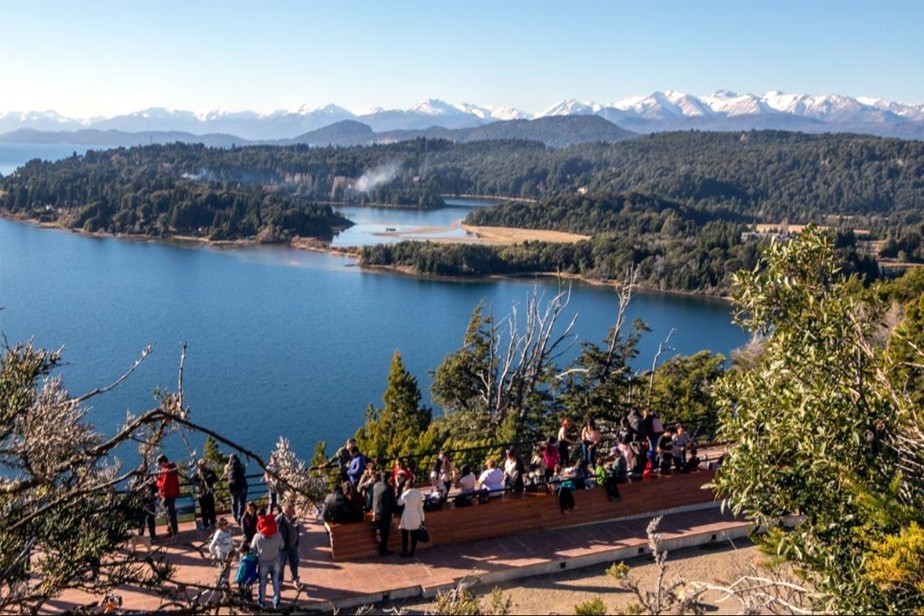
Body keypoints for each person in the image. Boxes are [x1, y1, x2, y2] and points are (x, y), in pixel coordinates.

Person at [251, 508, 283, 609]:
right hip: (275, 561)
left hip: (263, 563)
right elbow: (282, 546)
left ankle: (262, 602)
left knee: (263, 583)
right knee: (276, 582)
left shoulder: (257, 537)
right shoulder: (277, 534)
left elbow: (253, 549)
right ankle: (276, 602)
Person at [398, 479, 425, 558]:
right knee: (414, 535)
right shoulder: (418, 494)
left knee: (405, 535)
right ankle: (412, 552)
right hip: (416, 515)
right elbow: (420, 508)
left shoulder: (405, 494)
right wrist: (422, 519)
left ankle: (404, 551)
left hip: (407, 515)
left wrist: (402, 492)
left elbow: (399, 503)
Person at [155, 454, 180, 539]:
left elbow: (163, 485)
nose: (159, 465)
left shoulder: (167, 471)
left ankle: (173, 532)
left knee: (170, 514)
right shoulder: (171, 468)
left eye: (160, 463)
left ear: (163, 462)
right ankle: (172, 530)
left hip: (168, 495)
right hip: (171, 494)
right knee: (171, 514)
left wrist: (157, 481)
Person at [372, 471, 397, 556]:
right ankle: (383, 550)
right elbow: (392, 502)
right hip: (386, 512)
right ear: (388, 478)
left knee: (380, 530)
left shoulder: (376, 485)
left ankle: (381, 548)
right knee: (385, 532)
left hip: (377, 511)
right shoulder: (389, 488)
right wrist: (394, 511)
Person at [275, 502, 300, 586]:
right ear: (286, 511)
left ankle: (295, 578)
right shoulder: (279, 520)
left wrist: (296, 542)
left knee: (294, 562)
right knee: (281, 565)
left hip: (293, 545)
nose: (293, 511)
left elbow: (297, 529)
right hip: (282, 548)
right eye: (291, 510)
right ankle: (279, 580)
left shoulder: (294, 518)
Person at [192, 459, 218, 531]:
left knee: (211, 508)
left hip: (209, 492)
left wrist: (209, 482)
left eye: (204, 464)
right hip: (201, 494)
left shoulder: (210, 472)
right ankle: (205, 524)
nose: (203, 465)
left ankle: (213, 521)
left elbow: (215, 479)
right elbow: (193, 482)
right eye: (201, 464)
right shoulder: (197, 474)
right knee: (204, 509)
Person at [208, 517, 235, 586]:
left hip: (229, 553)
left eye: (227, 523)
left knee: (228, 570)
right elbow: (211, 546)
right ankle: (223, 587)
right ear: (220, 526)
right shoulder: (218, 534)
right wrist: (213, 555)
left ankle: (225, 582)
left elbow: (230, 541)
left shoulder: (228, 531)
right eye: (224, 524)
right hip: (222, 554)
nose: (226, 525)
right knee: (223, 571)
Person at [225, 454, 248, 524]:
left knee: (234, 502)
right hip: (242, 485)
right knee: (242, 503)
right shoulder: (242, 466)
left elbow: (226, 473)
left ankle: (235, 516)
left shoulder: (227, 467)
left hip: (233, 487)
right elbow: (244, 472)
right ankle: (240, 516)